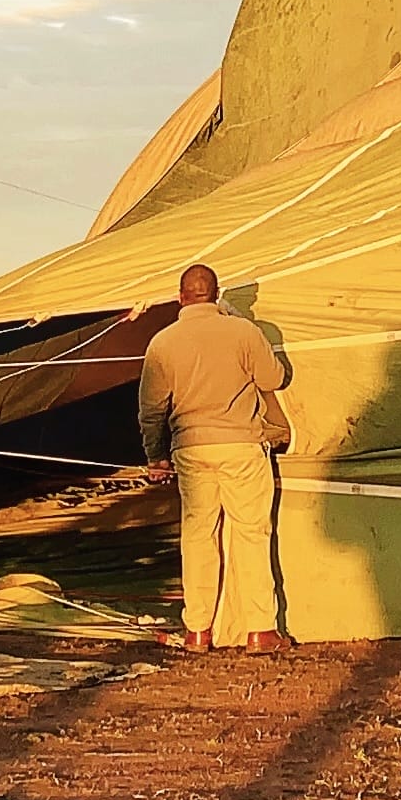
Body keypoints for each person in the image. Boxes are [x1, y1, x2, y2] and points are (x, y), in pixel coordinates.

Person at [137, 262, 290, 653]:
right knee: (252, 534)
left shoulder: (163, 342)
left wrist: (157, 457)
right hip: (241, 444)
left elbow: (151, 410)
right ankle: (260, 630)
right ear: (217, 294)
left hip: (190, 448)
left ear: (180, 297)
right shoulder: (243, 331)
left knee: (198, 537)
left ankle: (198, 631)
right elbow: (274, 379)